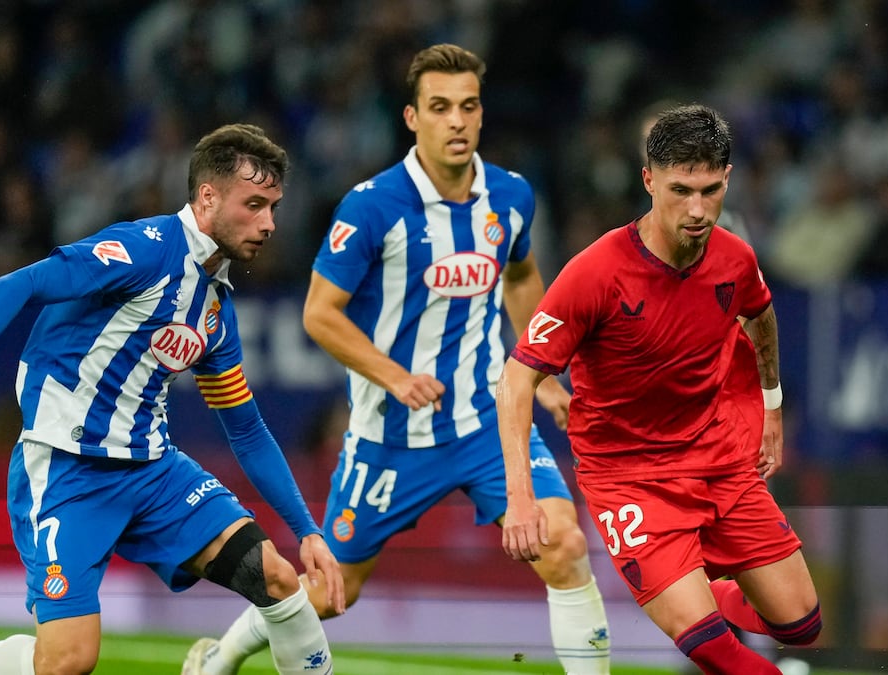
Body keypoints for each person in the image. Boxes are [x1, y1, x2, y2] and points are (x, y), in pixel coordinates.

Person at [183, 43, 611, 675]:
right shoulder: (372, 207)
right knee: (334, 592)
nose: (457, 121)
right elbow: (319, 314)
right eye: (440, 107)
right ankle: (221, 655)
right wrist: (395, 376)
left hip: (485, 421)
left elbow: (521, 278)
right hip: (390, 436)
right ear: (412, 117)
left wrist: (543, 375)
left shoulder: (513, 197)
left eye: (468, 106)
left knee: (565, 545)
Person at [0, 123, 343, 675]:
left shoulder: (215, 308)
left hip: (152, 471)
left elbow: (246, 429)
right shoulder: (143, 251)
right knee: (69, 660)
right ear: (208, 196)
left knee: (278, 578)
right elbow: (17, 286)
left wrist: (308, 531)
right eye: (255, 204)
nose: (268, 223)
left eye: (274, 207)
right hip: (68, 470)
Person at [497, 104, 821, 675]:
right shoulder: (595, 273)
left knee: (801, 623)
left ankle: (701, 591)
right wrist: (520, 498)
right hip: (629, 475)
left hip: (716, 457)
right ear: (648, 181)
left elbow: (761, 317)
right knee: (711, 646)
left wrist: (772, 405)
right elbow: (518, 378)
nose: (697, 210)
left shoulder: (735, 258)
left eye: (710, 190)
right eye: (680, 190)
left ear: (727, 180)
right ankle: (692, 601)